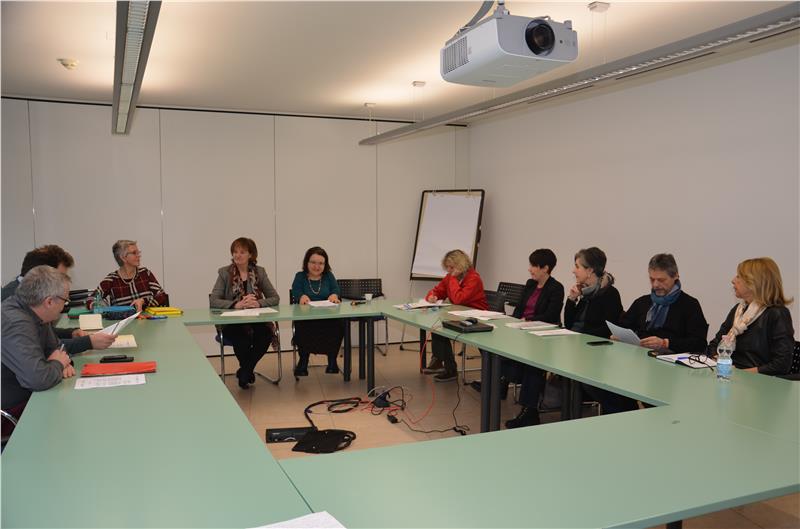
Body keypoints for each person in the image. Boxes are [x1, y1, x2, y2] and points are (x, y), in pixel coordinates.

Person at [1, 266, 114, 436]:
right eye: (64, 301)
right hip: (13, 412)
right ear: (49, 302)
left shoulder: (36, 312)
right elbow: (38, 379)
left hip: (31, 398)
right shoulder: (16, 323)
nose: (64, 306)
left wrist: (59, 362)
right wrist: (58, 364)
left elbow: (56, 347)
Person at [564, 247, 635, 415]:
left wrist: (581, 338)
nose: (573, 270)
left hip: (595, 352)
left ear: (589, 270)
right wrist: (571, 299)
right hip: (577, 347)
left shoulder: (609, 293)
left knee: (588, 382)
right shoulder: (585, 292)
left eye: (577, 266)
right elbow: (569, 324)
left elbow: (608, 327)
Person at [504, 248, 565, 428]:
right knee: (500, 353)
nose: (530, 269)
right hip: (523, 332)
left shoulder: (556, 288)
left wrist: (528, 321)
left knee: (532, 366)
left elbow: (550, 315)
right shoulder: (530, 284)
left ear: (545, 268)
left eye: (533, 266)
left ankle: (529, 411)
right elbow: (519, 309)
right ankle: (500, 384)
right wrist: (513, 322)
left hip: (543, 337)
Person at [209, 238, 280, 389]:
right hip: (233, 321)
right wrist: (236, 304)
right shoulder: (224, 273)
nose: (237, 255)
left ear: (251, 254)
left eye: (242, 252)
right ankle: (247, 372)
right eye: (235, 252)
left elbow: (275, 298)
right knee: (242, 340)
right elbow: (214, 300)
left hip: (256, 320)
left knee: (265, 335)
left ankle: (245, 371)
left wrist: (258, 303)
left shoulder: (259, 272)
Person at [706, 257, 794, 375]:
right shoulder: (738, 311)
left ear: (754, 283)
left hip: (758, 382)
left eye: (739, 277)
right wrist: (721, 362)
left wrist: (741, 374)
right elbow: (714, 345)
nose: (733, 280)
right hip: (731, 376)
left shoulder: (777, 314)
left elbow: (782, 364)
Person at [617, 253, 708, 353]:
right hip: (639, 355)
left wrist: (666, 343)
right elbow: (623, 326)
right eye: (652, 279)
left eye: (661, 280)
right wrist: (618, 335)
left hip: (672, 359)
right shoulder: (642, 302)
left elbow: (699, 343)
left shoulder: (690, 305)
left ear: (675, 276)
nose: (655, 285)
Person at [422, 249, 488, 382]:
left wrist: (451, 279)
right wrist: (432, 296)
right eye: (447, 267)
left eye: (451, 267)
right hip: (459, 315)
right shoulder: (451, 277)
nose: (448, 270)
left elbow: (459, 299)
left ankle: (448, 367)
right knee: (437, 327)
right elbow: (436, 291)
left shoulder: (473, 278)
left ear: (460, 265)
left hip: (477, 317)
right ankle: (444, 364)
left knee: (441, 328)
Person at [290, 247, 344, 376]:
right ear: (306, 262)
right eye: (313, 262)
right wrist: (301, 296)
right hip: (306, 317)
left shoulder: (329, 276)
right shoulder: (300, 276)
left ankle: (332, 360)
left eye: (321, 263)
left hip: (327, 317)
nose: (317, 266)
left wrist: (334, 295)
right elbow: (296, 290)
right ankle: (303, 361)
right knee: (302, 325)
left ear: (325, 265)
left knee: (340, 324)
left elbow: (336, 289)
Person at [89, 240, 168, 311]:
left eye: (138, 252)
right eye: (134, 253)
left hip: (148, 321)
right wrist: (95, 306)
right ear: (123, 258)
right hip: (124, 322)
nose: (138, 255)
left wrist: (143, 301)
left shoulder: (145, 273)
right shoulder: (111, 280)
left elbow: (162, 296)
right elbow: (91, 299)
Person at [1, 244, 75, 301]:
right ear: (41, 273)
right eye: (60, 278)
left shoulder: (29, 293)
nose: (61, 284)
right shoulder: (12, 302)